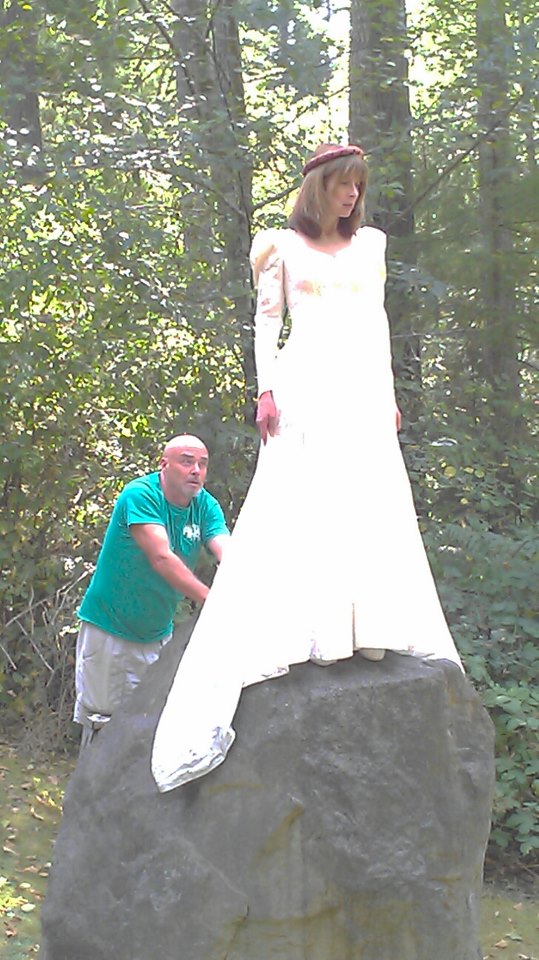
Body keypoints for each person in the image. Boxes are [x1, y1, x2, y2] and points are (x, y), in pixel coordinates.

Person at [151, 143, 462, 792]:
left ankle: (367, 628)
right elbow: (267, 325)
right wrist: (266, 391)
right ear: (319, 188)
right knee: (305, 509)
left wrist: (389, 396)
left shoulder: (370, 245)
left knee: (363, 506)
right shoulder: (281, 249)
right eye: (342, 186)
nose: (352, 196)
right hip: (304, 389)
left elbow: (375, 326)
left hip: (358, 395)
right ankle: (309, 629)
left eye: (359, 186)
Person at [74, 434, 229, 749]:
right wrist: (213, 600)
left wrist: (247, 581)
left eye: (202, 464)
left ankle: (131, 799)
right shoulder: (140, 495)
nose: (196, 470)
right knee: (103, 724)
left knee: (149, 727)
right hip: (111, 631)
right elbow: (161, 557)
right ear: (164, 464)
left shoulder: (204, 505)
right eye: (187, 461)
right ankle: (88, 798)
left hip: (157, 635)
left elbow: (225, 549)